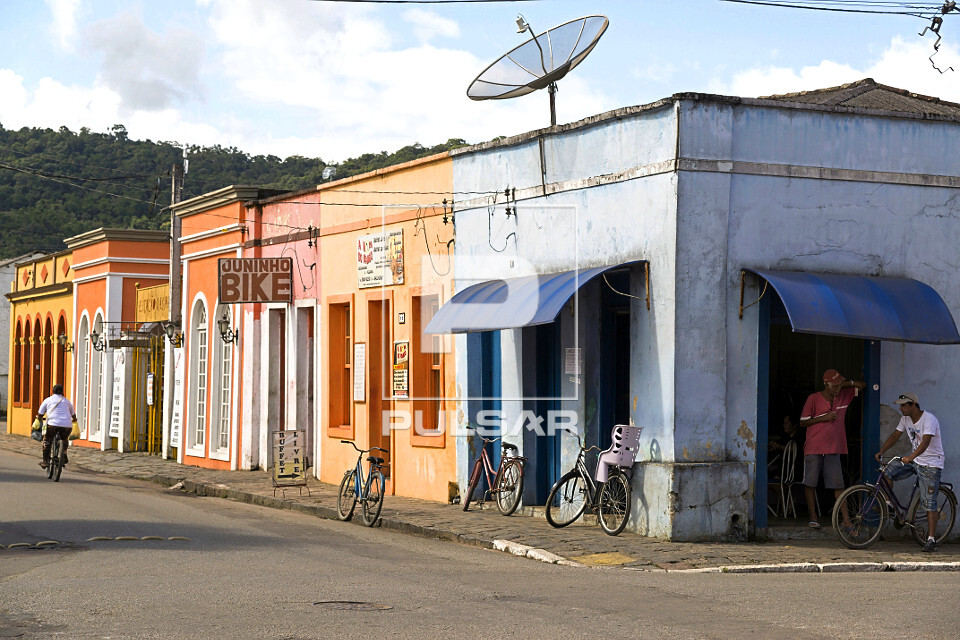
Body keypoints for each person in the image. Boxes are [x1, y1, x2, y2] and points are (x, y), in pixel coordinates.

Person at [875, 392, 945, 552]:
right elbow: (895, 436)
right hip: (914, 460)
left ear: (913, 405)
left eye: (904, 405)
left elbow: (926, 442)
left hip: (931, 464)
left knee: (929, 503)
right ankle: (890, 506)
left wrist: (911, 456)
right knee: (886, 471)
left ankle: (931, 540)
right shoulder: (905, 419)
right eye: (900, 405)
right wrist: (882, 450)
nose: (901, 408)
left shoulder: (929, 419)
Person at [799, 369, 865, 529]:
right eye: (834, 385)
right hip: (814, 447)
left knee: (838, 485)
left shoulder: (843, 395)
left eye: (838, 384)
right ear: (825, 384)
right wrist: (824, 418)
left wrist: (845, 384)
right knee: (810, 483)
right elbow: (803, 422)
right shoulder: (813, 398)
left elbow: (862, 385)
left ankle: (846, 520)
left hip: (834, 448)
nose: (837, 388)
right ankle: (813, 517)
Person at [36, 384, 78, 469]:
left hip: (52, 424)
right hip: (67, 425)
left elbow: (40, 413)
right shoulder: (66, 401)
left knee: (47, 441)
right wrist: (74, 421)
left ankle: (45, 461)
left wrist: (38, 419)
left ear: (52, 391)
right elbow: (73, 415)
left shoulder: (48, 400)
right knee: (64, 439)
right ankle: (64, 453)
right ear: (62, 392)